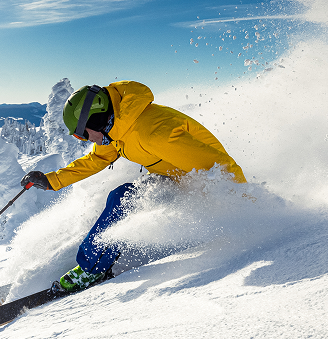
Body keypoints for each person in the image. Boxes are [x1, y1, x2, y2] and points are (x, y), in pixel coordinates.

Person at [21, 81, 247, 292]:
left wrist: (246, 208)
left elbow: (220, 168)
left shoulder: (153, 133)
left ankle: (92, 270)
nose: (85, 140)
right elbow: (97, 159)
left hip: (195, 187)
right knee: (121, 196)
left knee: (122, 199)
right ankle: (100, 258)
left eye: (83, 133)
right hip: (171, 177)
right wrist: (52, 180)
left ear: (96, 120)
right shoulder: (119, 128)